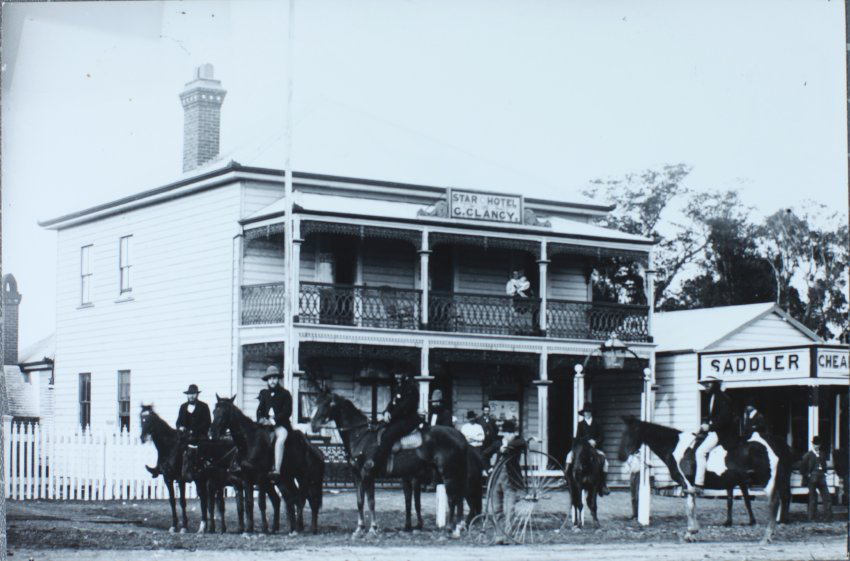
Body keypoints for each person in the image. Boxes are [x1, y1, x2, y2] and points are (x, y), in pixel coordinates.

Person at [362, 372, 420, 478]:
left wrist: (391, 416)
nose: (397, 376)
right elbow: (392, 403)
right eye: (396, 374)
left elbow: (404, 407)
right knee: (377, 430)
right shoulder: (399, 386)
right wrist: (386, 412)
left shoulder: (411, 388)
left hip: (409, 420)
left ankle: (378, 466)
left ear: (405, 374)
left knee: (388, 436)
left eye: (399, 374)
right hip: (397, 418)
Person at [149, 383, 211, 478]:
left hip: (199, 436)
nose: (191, 396)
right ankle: (161, 468)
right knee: (170, 447)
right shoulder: (183, 407)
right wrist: (180, 427)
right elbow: (178, 422)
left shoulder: (203, 407)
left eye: (193, 394)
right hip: (185, 436)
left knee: (202, 451)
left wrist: (194, 431)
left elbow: (207, 422)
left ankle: (202, 468)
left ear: (197, 395)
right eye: (189, 394)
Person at [692, 377, 736, 494]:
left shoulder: (723, 398)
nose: (706, 385)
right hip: (715, 431)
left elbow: (725, 419)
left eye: (709, 383)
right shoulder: (712, 398)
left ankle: (699, 484)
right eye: (705, 383)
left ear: (716, 384)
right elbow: (713, 417)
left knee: (700, 452)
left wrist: (710, 427)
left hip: (722, 433)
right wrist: (704, 425)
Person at [256, 365, 293, 479]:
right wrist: (261, 419)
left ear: (278, 379)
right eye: (270, 378)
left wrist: (273, 421)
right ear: (267, 380)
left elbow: (287, 412)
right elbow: (260, 410)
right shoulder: (264, 394)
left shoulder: (285, 394)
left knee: (280, 439)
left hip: (280, 425)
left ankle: (277, 469)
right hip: (265, 425)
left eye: (275, 378)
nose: (272, 381)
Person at [565, 403, 609, 495]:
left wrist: (595, 441)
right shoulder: (580, 424)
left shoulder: (597, 423)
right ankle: (566, 479)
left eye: (589, 412)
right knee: (569, 456)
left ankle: (604, 484)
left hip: (595, 448)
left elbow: (602, 437)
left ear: (591, 413)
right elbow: (577, 437)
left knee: (606, 463)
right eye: (585, 412)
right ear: (583, 413)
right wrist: (585, 441)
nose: (587, 413)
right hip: (582, 448)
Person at [490, 419, 526, 528]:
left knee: (509, 509)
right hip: (496, 478)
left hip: (511, 479)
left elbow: (523, 443)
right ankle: (499, 535)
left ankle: (509, 535)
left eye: (512, 433)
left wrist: (507, 447)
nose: (510, 435)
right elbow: (484, 454)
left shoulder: (517, 443)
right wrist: (488, 468)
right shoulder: (497, 443)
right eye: (507, 433)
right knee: (496, 508)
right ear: (503, 433)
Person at [801, 436, 833, 521]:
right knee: (812, 498)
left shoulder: (822, 454)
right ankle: (811, 518)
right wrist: (808, 475)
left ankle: (828, 517)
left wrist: (825, 473)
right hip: (812, 478)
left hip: (822, 477)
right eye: (815, 444)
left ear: (820, 445)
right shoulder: (807, 455)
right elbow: (802, 468)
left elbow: (825, 465)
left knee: (827, 497)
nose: (817, 446)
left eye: (818, 444)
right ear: (812, 444)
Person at [626, 450, 642, 520]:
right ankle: (634, 513)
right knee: (633, 496)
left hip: (639, 475)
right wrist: (629, 470)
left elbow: (649, 463)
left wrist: (640, 457)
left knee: (638, 495)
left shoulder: (642, 455)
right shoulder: (631, 456)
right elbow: (627, 465)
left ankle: (639, 514)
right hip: (632, 474)